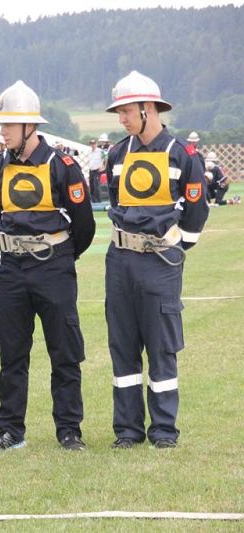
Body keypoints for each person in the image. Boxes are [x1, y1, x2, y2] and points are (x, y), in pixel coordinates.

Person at [0, 81, 96, 451]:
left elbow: (84, 224)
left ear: (30, 126)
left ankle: (69, 430)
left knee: (64, 352)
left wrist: (60, 258)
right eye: (1, 126)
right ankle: (10, 430)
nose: (2, 133)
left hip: (54, 268)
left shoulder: (62, 166)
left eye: (8, 126)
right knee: (11, 354)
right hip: (13, 270)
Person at [104, 71, 209, 449]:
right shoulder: (117, 154)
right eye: (120, 113)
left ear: (149, 110)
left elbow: (196, 214)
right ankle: (127, 431)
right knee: (123, 346)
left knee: (161, 348)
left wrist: (171, 249)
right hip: (120, 262)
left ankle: (163, 431)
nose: (122, 119)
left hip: (160, 264)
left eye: (127, 111)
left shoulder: (181, 155)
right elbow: (116, 203)